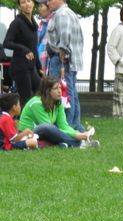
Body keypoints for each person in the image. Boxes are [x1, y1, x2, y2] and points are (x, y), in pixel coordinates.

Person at [18, 75, 95, 147]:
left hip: (46, 132)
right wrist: (75, 136)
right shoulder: (36, 103)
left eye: (60, 88)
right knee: (47, 127)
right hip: (29, 133)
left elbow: (63, 126)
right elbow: (47, 127)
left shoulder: (58, 103)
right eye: (56, 88)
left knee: (78, 129)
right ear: (48, 91)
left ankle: (68, 143)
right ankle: (78, 143)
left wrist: (77, 134)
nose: (60, 91)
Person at [45, 0, 83, 131]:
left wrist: (62, 50)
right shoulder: (68, 13)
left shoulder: (62, 14)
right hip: (68, 60)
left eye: (49, 0)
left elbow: (65, 34)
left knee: (61, 93)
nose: (47, 3)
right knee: (71, 93)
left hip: (61, 59)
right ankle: (75, 126)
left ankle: (66, 126)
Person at [3, 0, 42, 107]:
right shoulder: (17, 23)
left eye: (29, 1)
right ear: (19, 6)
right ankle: (24, 122)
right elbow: (7, 43)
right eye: (23, 2)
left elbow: (34, 48)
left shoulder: (34, 25)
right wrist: (24, 49)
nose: (27, 4)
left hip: (31, 67)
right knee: (26, 99)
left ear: (33, 3)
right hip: (20, 67)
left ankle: (36, 121)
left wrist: (39, 67)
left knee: (43, 92)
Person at [35, 0, 49, 71]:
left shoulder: (50, 22)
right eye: (39, 6)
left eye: (41, 6)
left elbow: (43, 45)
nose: (39, 9)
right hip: (40, 60)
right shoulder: (42, 23)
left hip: (44, 62)